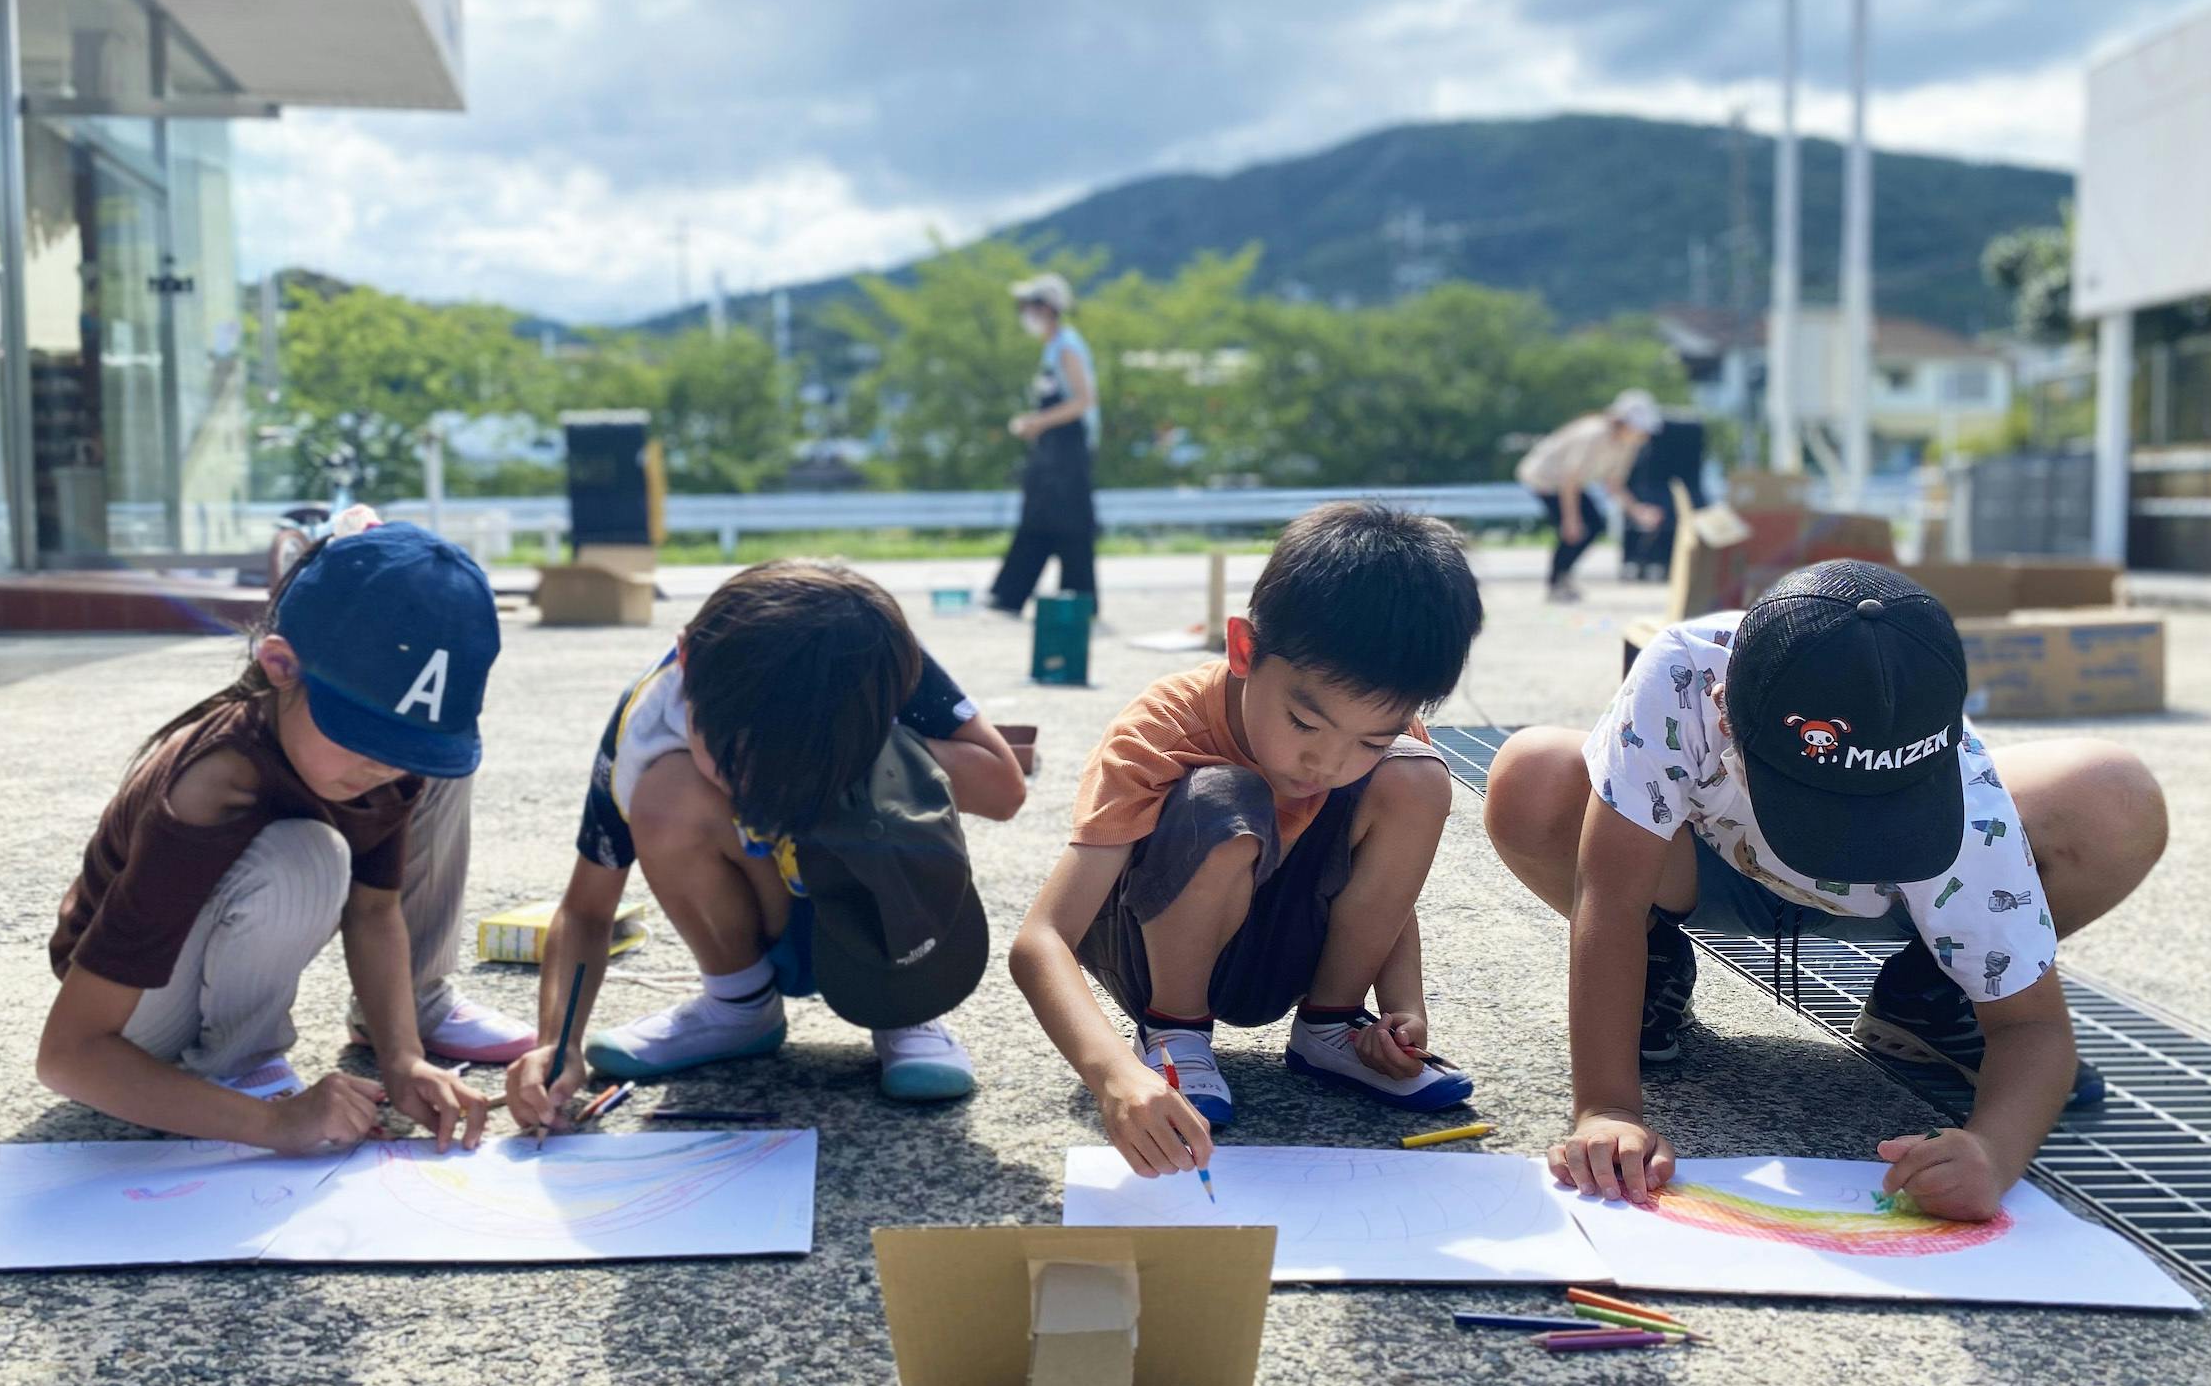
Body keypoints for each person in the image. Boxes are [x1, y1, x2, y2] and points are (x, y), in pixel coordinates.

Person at [1482, 560, 2169, 1221]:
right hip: (1707, 868)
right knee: (1532, 776)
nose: (1843, 840)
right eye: (1820, 808)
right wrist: (1607, 1109)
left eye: (1878, 814)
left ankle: (1932, 993)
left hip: (1898, 904)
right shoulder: (1686, 674)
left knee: (2113, 793)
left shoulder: (1969, 807)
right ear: (1726, 713)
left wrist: (1993, 1151)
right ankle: (1654, 959)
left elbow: (2036, 1027)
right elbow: (1610, 896)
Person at [1009, 503, 1485, 1179]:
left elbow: (1384, 888)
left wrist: (1404, 1011)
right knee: (1224, 799)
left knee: (1417, 777)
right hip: (1156, 953)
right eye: (1304, 723)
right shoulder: (1162, 729)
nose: (1327, 763)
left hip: (1286, 954)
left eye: (1369, 739)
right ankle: (1174, 1035)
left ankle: (1330, 1027)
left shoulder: (1384, 744)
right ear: (1243, 649)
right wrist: (1112, 1075)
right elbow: (1041, 939)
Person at [36, 521, 528, 1156]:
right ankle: (242, 1069)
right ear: (280, 666)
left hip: (187, 983)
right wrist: (272, 1124)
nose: (386, 765)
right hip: (133, 1020)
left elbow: (375, 910)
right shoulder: (212, 785)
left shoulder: (383, 762)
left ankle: (246, 1063)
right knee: (308, 856)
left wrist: (403, 1059)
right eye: (364, 736)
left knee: (343, 833)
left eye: (408, 747)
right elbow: (69, 1055)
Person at [502, 560, 1028, 1126]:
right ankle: (739, 1005)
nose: (752, 789)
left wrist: (870, 750)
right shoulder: (651, 714)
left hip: (881, 919)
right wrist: (556, 1041)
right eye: (732, 763)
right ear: (686, 659)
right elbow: (586, 909)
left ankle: (903, 1003)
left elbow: (1003, 791)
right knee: (666, 792)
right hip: (762, 910)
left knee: (886, 770)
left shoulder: (870, 656)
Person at [988, 271, 1100, 617]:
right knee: (1042, 519)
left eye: (1029, 305)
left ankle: (1076, 600)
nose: (1024, 313)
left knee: (1067, 523)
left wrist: (1037, 422)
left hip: (1068, 452)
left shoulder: (1067, 346)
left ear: (1048, 308)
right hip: (1053, 451)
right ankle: (1012, 594)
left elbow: (1083, 400)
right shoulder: (1053, 348)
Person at [1514, 388, 1669, 602]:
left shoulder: (1628, 444)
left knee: (1594, 525)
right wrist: (1571, 519)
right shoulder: (1593, 434)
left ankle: (1563, 577)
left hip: (1570, 483)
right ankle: (1556, 583)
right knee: (1573, 530)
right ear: (1623, 422)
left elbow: (1613, 483)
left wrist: (1637, 511)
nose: (1644, 436)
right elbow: (1569, 478)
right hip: (1544, 478)